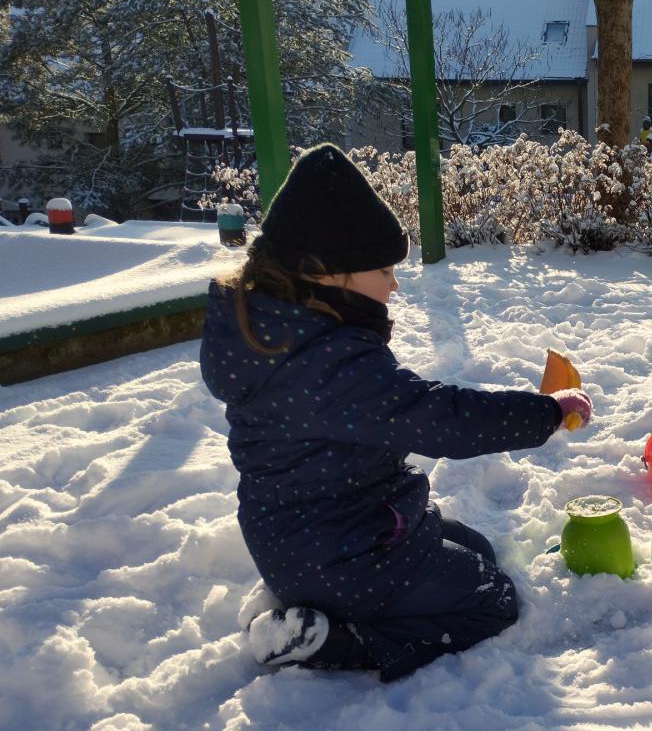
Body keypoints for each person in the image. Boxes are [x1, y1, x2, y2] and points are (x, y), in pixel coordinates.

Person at [200, 143, 593, 681]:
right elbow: (436, 418)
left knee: (478, 549)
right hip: (345, 556)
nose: (394, 283)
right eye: (384, 269)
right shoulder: (327, 365)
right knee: (493, 599)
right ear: (327, 274)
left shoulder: (281, 334)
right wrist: (543, 414)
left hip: (311, 533)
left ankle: (305, 600)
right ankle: (336, 640)